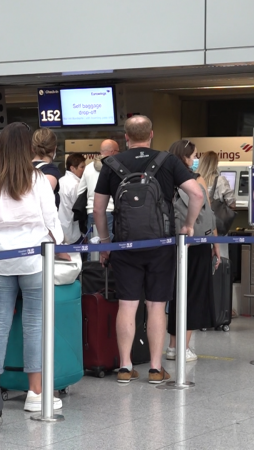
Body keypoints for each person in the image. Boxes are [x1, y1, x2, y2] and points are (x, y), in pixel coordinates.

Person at [94, 115, 203, 384]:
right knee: (156, 306)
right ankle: (155, 368)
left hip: (124, 245)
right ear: (151, 134)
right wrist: (188, 225)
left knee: (127, 305)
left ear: (126, 137)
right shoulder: (168, 161)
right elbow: (197, 194)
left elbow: (98, 208)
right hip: (161, 245)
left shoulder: (111, 164)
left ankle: (124, 366)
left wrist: (106, 242)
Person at [0, 122, 65, 412]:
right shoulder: (38, 179)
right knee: (34, 325)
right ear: (27, 147)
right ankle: (36, 392)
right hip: (33, 260)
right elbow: (51, 219)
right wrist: (60, 245)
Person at [165, 140, 220, 362]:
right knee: (193, 294)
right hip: (196, 243)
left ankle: (171, 346)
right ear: (186, 158)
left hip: (171, 244)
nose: (196, 159)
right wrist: (215, 245)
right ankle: (183, 347)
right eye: (194, 155)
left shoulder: (165, 180)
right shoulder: (196, 181)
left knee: (176, 294)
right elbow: (208, 215)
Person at [197, 151, 236, 258]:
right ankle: (219, 273)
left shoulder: (194, 180)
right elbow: (232, 203)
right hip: (217, 227)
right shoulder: (220, 180)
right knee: (221, 255)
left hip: (199, 225)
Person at [78, 139, 118, 239]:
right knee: (111, 249)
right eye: (118, 151)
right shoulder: (117, 167)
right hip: (111, 212)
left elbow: (80, 191)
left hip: (92, 212)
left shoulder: (88, 168)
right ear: (113, 152)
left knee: (93, 250)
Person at [58, 153, 87, 244]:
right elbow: (79, 209)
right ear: (72, 168)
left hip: (60, 227)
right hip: (73, 229)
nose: (84, 170)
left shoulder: (60, 180)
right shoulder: (76, 185)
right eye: (82, 167)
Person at [31, 128, 61, 208]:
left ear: (33, 149)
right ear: (54, 148)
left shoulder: (22, 168)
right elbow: (44, 200)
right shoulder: (50, 171)